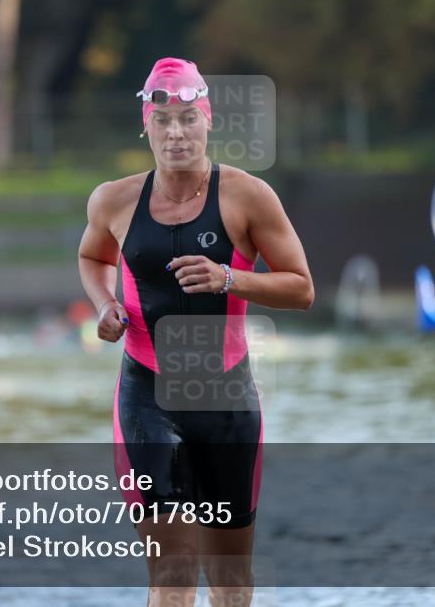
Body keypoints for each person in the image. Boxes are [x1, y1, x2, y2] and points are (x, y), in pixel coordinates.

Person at [78, 57, 313, 607]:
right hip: (147, 397)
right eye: (163, 121)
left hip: (227, 397)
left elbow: (302, 288)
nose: (175, 132)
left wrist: (230, 278)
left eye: (187, 118)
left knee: (230, 584)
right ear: (146, 126)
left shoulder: (247, 196)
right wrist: (105, 303)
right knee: (173, 575)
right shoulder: (113, 199)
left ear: (209, 121)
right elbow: (92, 256)